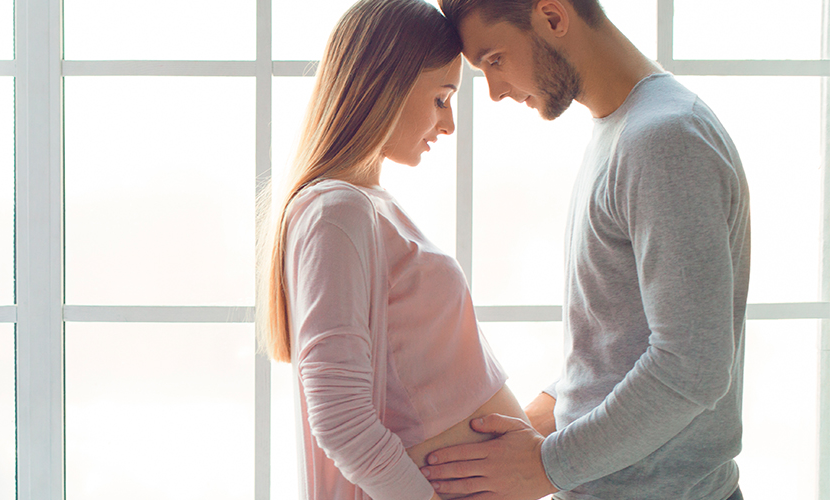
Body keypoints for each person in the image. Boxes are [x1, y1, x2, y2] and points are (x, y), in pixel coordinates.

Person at [419, 1, 751, 499]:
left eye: (494, 60)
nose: (494, 92)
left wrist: (544, 465)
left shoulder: (663, 139)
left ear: (552, 17)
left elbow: (691, 366)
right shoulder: (624, 131)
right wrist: (535, 421)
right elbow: (617, 344)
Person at [258, 1, 532, 499]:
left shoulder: (364, 206)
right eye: (441, 98)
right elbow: (341, 421)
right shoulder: (335, 212)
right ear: (387, 85)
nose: (448, 125)